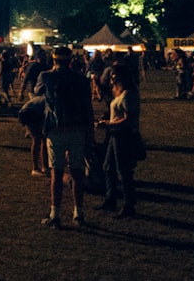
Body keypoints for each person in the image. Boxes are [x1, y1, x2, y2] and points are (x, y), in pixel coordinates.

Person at [36, 46, 95, 229]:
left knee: (57, 173)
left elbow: (38, 93)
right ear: (71, 60)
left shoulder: (46, 77)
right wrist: (90, 132)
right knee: (77, 173)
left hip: (55, 130)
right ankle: (78, 212)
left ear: (53, 60)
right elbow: (88, 107)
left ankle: (55, 213)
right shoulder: (81, 80)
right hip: (77, 129)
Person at [95, 64, 141, 218]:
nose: (112, 77)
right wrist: (107, 119)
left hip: (124, 135)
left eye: (115, 74)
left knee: (124, 171)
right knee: (108, 167)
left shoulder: (129, 94)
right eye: (112, 74)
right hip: (115, 134)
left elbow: (128, 119)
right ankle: (110, 199)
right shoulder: (118, 92)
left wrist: (108, 124)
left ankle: (129, 205)